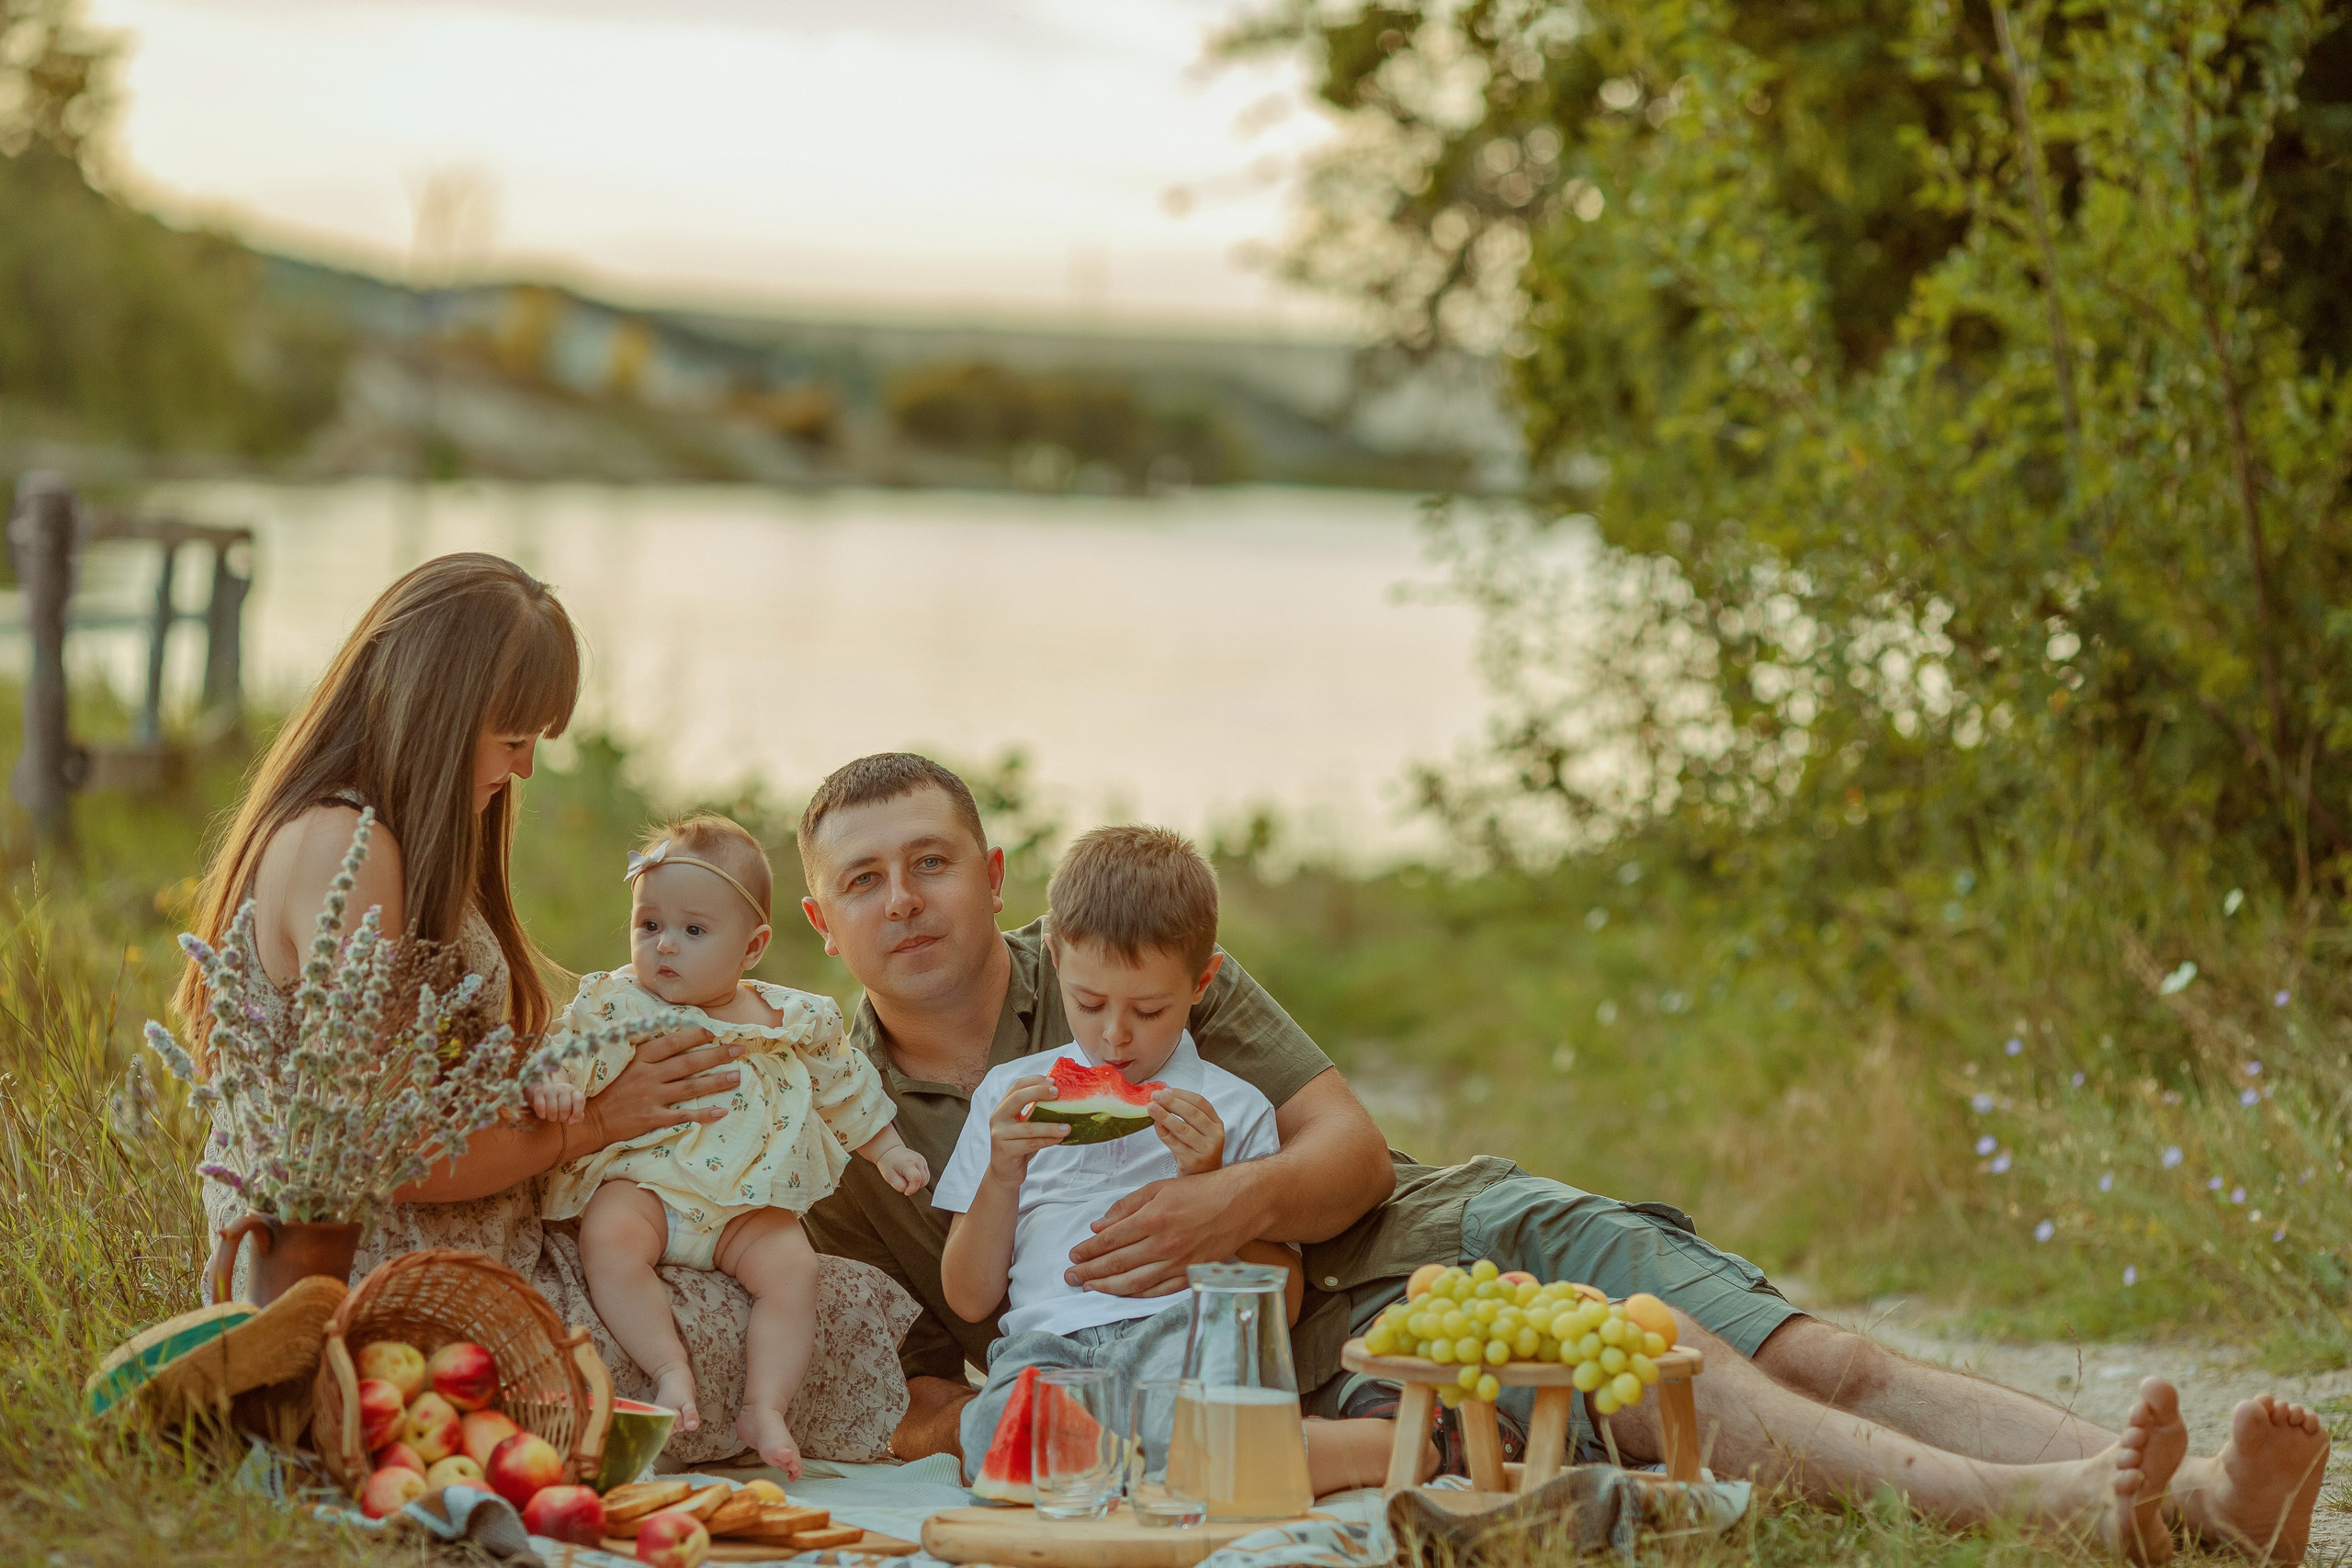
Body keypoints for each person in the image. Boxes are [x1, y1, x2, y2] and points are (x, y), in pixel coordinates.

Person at [798, 752, 2328, 1562]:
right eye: (865, 879)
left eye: (932, 860)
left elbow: (1344, 1152)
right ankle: (2115, 1506)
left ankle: (2174, 1479)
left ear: (990, 870)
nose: (907, 897)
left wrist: (1224, 1196)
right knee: (1681, 1377)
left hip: (1443, 1219)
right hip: (1316, 1347)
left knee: (1823, 1352)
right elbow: (951, 1354)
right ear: (823, 922)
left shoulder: (1111, 956)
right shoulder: (839, 1117)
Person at [179, 555, 919, 1468]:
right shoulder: (349, 851)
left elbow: (409, 1087)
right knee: (812, 1319)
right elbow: (397, 1151)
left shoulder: (363, 836)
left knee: (798, 1285)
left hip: (463, 1242)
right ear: (441, 713)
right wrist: (603, 1119)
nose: (525, 765)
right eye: (513, 736)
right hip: (400, 1291)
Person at [933, 825, 1400, 1495]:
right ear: (1056, 959)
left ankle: (1361, 1446)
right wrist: (1001, 1173)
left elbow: (1282, 1300)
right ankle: (1184, 1465)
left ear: (1202, 980)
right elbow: (970, 1295)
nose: (1115, 1035)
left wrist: (1209, 1183)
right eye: (1090, 1003)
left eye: (1148, 1009)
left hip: (1179, 1336)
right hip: (1050, 1349)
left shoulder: (1234, 1108)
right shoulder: (1009, 1100)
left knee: (1202, 1431)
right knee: (986, 1440)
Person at [528, 814, 932, 1475]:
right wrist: (553, 1081)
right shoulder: (621, 1003)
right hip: (650, 1185)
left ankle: (765, 1403)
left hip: (746, 1203)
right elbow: (564, 1046)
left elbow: (843, 1085)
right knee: (610, 1237)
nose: (664, 946)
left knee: (793, 1270)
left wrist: (886, 1148)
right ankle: (667, 1368)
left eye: (693, 930)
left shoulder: (789, 1018)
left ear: (752, 946)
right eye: (648, 924)